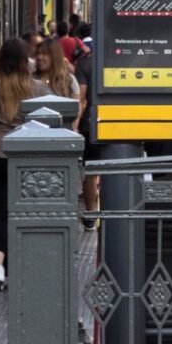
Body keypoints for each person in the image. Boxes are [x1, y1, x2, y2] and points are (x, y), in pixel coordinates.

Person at [0, 38, 50, 291]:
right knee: (27, 213)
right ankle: (27, 264)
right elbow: (54, 119)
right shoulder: (37, 88)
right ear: (24, 60)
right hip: (27, 157)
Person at [75, 24, 97, 231]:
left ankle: (91, 214)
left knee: (91, 171)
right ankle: (113, 212)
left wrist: (74, 126)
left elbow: (80, 99)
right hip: (118, 124)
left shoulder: (85, 64)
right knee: (116, 169)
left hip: (91, 124)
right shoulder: (122, 58)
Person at [35, 38, 84, 131]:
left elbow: (77, 111)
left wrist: (71, 133)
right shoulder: (31, 80)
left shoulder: (69, 80)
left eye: (44, 54)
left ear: (54, 56)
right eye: (38, 53)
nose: (39, 57)